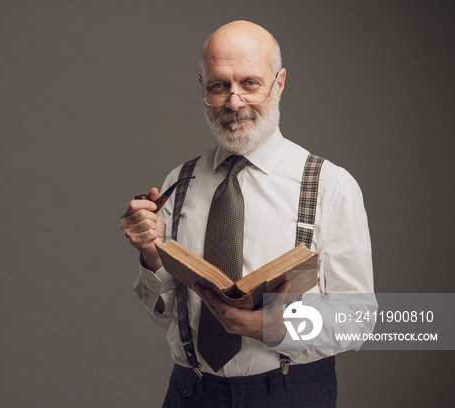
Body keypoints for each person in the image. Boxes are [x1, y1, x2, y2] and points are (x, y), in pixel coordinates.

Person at [120, 21, 373, 407]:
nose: (234, 102)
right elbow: (168, 316)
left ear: (279, 83)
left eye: (250, 83)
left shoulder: (330, 186)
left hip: (291, 393)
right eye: (219, 85)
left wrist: (275, 328)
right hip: (192, 392)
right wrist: (152, 256)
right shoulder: (179, 182)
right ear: (202, 86)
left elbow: (359, 319)